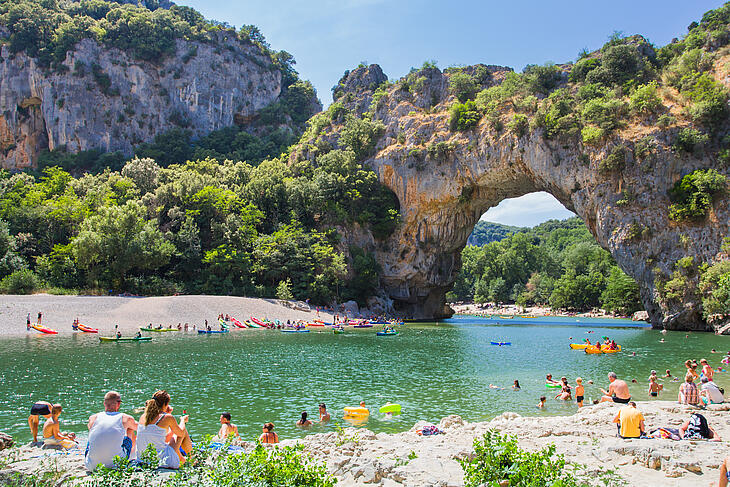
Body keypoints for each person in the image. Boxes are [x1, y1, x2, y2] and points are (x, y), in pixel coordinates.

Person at [136, 390, 192, 468]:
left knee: (171, 436)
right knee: (183, 431)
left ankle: (182, 460)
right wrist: (183, 420)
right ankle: (192, 459)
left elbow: (162, 437)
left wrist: (168, 414)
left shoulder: (143, 416)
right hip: (162, 460)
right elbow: (181, 433)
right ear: (165, 404)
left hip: (143, 460)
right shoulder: (167, 417)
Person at [85, 391, 138, 471]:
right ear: (118, 404)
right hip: (116, 464)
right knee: (130, 429)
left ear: (104, 403)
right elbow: (140, 428)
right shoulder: (125, 418)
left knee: (93, 437)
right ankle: (131, 457)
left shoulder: (93, 418)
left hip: (91, 466)